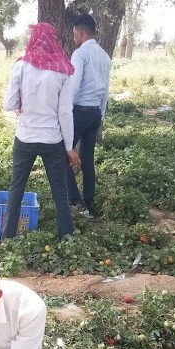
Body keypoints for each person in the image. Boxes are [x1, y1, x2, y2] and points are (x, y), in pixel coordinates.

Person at [2, 23, 80, 239]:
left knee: (16, 188)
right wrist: (69, 147)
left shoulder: (22, 65)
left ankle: (8, 236)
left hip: (25, 137)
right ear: (52, 40)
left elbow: (8, 104)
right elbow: (65, 113)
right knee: (59, 190)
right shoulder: (62, 70)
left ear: (34, 39)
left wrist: (23, 104)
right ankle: (66, 236)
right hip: (52, 140)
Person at [65, 14, 111, 219]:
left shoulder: (80, 54)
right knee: (88, 159)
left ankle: (76, 201)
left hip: (79, 112)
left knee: (60, 155)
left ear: (81, 32)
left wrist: (65, 112)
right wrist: (100, 114)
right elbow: (106, 90)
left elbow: (73, 87)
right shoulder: (104, 56)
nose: (74, 38)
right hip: (94, 114)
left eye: (75, 34)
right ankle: (90, 205)